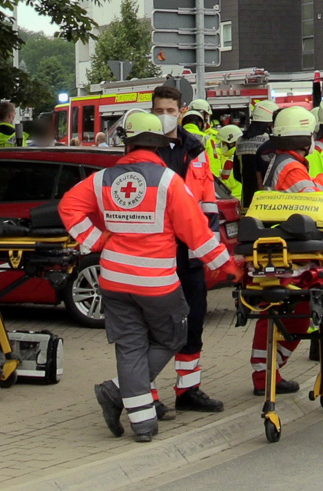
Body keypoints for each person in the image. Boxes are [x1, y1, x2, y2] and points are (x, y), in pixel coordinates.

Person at [60, 111, 241, 442]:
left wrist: (96, 240)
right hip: (156, 282)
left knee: (130, 347)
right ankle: (116, 392)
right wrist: (225, 264)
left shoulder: (103, 179)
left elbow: (69, 206)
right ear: (159, 145)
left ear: (127, 143)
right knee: (173, 336)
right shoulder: (169, 181)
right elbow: (196, 232)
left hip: (113, 279)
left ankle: (142, 425)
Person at [249, 106, 323, 396]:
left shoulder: (283, 162)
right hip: (290, 254)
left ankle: (266, 373)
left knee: (277, 313)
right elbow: (311, 205)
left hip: (277, 250)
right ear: (303, 137)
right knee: (299, 311)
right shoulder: (291, 167)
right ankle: (267, 373)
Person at [150, 85, 226, 414]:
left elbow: (207, 200)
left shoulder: (195, 148)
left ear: (181, 112)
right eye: (159, 111)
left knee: (193, 322)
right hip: (157, 250)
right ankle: (147, 394)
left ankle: (188, 390)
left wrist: (209, 248)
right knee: (155, 324)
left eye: (170, 110)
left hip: (190, 250)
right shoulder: (145, 146)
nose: (165, 116)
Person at [235, 99, 280, 209]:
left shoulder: (240, 141)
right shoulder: (269, 142)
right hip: (267, 204)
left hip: (246, 202)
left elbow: (237, 174)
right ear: (270, 124)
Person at [212, 124, 243, 200]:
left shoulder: (230, 162)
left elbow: (226, 185)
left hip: (233, 198)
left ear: (231, 143)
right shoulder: (244, 156)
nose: (222, 146)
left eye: (223, 143)